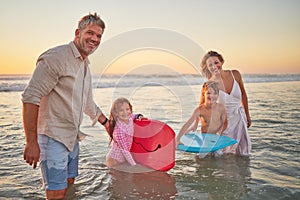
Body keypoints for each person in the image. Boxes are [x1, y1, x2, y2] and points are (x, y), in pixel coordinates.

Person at [21, 13, 109, 199]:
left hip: (72, 137)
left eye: (99, 36)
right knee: (56, 192)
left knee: (69, 184)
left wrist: (107, 123)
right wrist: (31, 142)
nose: (94, 39)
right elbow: (31, 97)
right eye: (90, 33)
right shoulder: (56, 57)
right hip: (52, 137)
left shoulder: (84, 64)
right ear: (78, 32)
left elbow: (87, 102)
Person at [200, 50, 251, 156]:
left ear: (221, 62)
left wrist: (247, 115)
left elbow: (243, 95)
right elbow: (203, 108)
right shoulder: (208, 84)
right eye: (210, 65)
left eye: (216, 62)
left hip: (239, 120)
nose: (214, 66)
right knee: (224, 156)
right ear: (207, 67)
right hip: (222, 124)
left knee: (242, 154)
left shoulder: (235, 74)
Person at [176, 81, 228, 157]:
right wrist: (178, 139)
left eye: (215, 93)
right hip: (205, 138)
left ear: (218, 95)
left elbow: (225, 123)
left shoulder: (221, 108)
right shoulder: (200, 110)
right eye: (209, 93)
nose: (212, 96)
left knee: (218, 158)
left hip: (216, 138)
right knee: (201, 159)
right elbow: (188, 123)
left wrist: (219, 133)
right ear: (203, 94)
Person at [106, 97, 144, 167]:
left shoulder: (130, 118)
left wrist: (139, 116)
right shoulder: (119, 131)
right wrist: (134, 165)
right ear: (116, 113)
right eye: (121, 110)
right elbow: (125, 150)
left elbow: (134, 116)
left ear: (131, 109)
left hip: (124, 159)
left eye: (127, 109)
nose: (125, 112)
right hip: (114, 160)